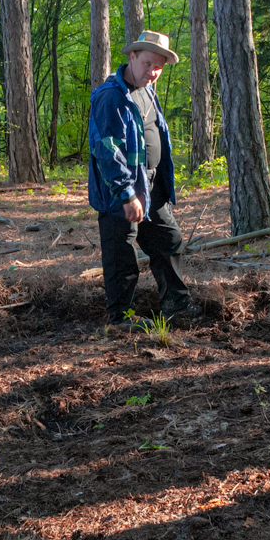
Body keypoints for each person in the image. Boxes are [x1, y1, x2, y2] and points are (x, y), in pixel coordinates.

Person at [88, 31, 196, 329]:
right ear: (132, 57)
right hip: (120, 192)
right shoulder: (111, 96)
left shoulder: (148, 90)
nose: (153, 72)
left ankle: (176, 303)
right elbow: (107, 151)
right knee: (121, 252)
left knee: (168, 239)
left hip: (150, 187)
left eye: (158, 66)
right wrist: (126, 194)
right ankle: (120, 317)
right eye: (147, 63)